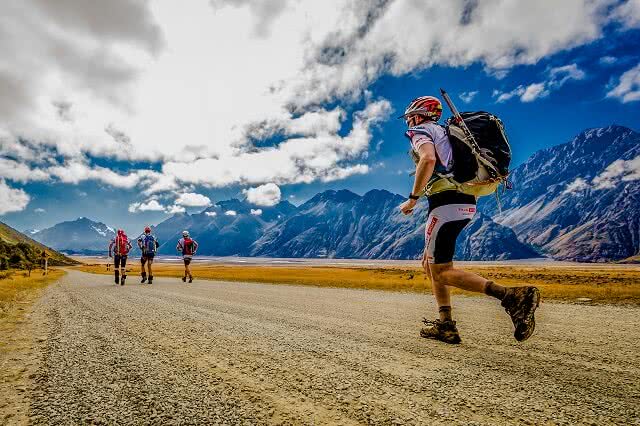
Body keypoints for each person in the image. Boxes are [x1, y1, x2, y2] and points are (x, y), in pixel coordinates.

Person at [398, 95, 540, 344]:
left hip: (445, 204)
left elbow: (428, 159)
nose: (408, 121)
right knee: (430, 265)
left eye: (409, 116)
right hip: (465, 203)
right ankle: (445, 325)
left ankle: (511, 296)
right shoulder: (444, 132)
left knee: (441, 271)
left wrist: (412, 198)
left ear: (418, 114)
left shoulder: (419, 131)